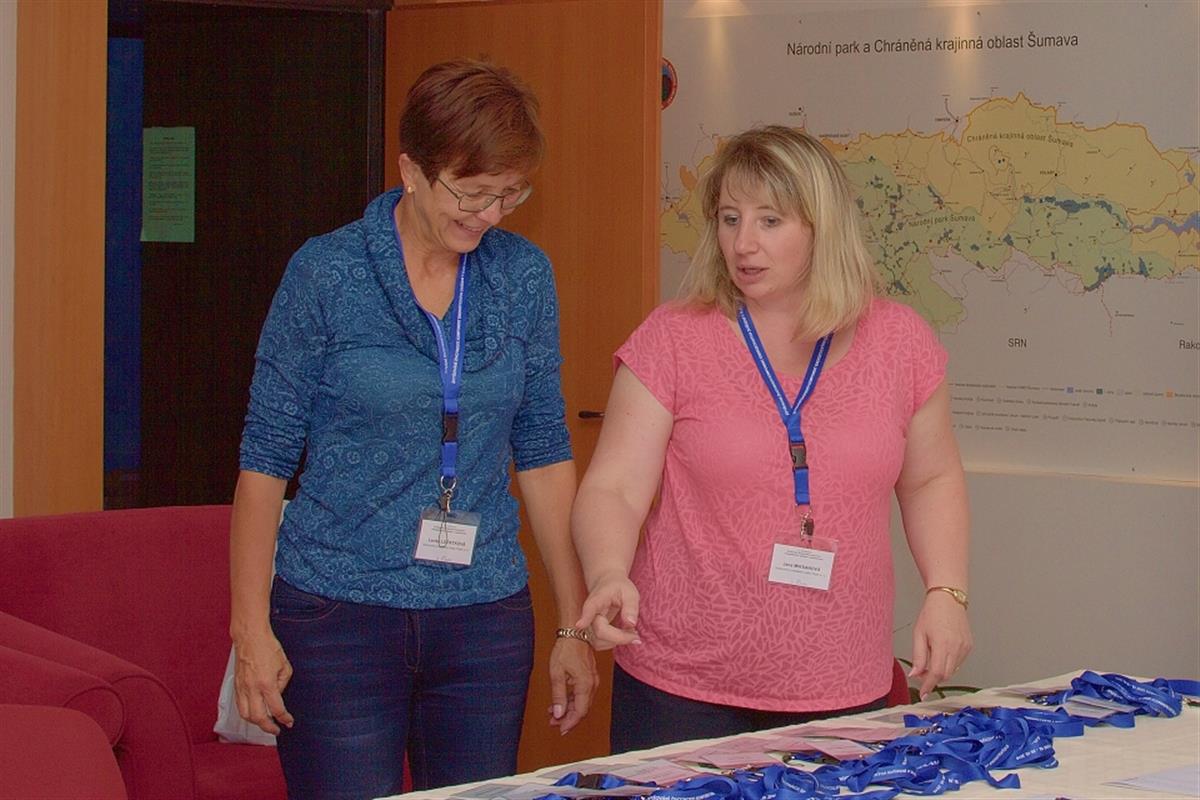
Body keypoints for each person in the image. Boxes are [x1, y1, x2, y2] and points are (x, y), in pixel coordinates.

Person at [228, 59, 596, 798]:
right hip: (337, 615)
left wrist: (572, 625)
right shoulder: (327, 273)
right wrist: (250, 630)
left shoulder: (523, 276)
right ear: (411, 171)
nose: (489, 215)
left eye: (509, 194)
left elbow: (543, 448)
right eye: (471, 191)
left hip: (483, 616)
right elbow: (265, 459)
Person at [571, 125, 972, 753]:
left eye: (770, 221)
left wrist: (946, 592)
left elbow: (930, 480)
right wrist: (606, 572)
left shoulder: (900, 342)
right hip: (681, 686)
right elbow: (615, 486)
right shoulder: (674, 337)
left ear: (822, 228)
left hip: (840, 680)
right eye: (730, 219)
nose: (743, 243)